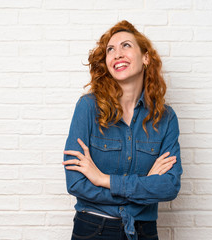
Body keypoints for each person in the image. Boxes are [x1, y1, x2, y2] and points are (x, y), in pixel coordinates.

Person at [62, 20, 183, 240]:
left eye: (126, 45)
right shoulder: (88, 108)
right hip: (93, 229)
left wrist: (103, 179)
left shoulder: (165, 118)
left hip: (143, 231)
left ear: (146, 57)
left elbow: (169, 186)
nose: (117, 53)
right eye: (110, 49)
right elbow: (76, 183)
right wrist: (145, 183)